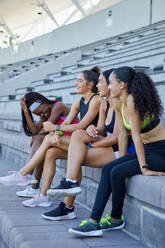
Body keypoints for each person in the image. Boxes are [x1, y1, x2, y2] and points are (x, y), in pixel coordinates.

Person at [52, 66, 165, 237]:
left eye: (110, 83)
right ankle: (111, 220)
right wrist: (121, 157)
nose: (107, 86)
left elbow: (135, 135)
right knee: (110, 169)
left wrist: (144, 167)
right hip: (147, 150)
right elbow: (121, 137)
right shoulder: (118, 101)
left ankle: (100, 221)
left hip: (160, 153)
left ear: (122, 85)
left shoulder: (132, 101)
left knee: (117, 171)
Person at [0, 67, 101, 208]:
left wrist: (56, 129)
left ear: (89, 85)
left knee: (46, 139)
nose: (76, 84)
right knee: (50, 152)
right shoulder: (79, 102)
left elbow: (82, 125)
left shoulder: (95, 100)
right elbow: (64, 123)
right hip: (77, 142)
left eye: (79, 81)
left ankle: (24, 174)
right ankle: (43, 196)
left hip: (90, 143)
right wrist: (56, 133)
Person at [41, 68, 120, 220]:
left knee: (74, 150)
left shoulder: (119, 104)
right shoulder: (104, 105)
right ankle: (66, 199)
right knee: (61, 148)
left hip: (118, 151)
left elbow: (118, 138)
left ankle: (68, 200)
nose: (98, 86)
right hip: (104, 145)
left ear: (113, 84)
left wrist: (58, 128)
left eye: (101, 82)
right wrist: (92, 128)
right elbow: (101, 131)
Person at [17, 92, 71, 198]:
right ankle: (34, 187)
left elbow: (43, 131)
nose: (42, 115)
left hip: (73, 140)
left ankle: (28, 174)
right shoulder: (46, 114)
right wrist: (26, 111)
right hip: (61, 141)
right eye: (39, 114)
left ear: (43, 102)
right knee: (41, 147)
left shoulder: (58, 106)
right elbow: (34, 130)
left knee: (39, 139)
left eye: (41, 111)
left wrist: (35, 137)